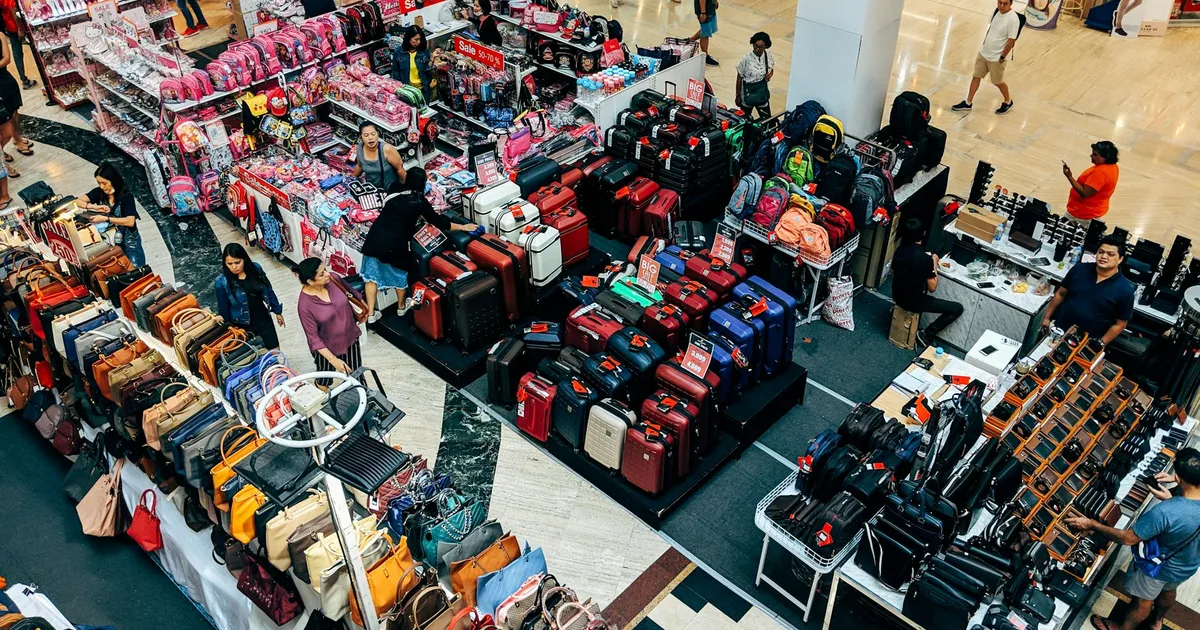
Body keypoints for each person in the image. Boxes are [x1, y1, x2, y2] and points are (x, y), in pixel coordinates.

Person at [1065, 448, 1200, 630]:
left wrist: (1091, 524)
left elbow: (1128, 539)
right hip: (1188, 564)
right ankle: (1157, 622)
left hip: (1158, 566)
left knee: (1143, 603)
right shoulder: (1174, 508)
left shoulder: (1165, 512)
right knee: (1168, 591)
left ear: (1178, 478)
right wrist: (1174, 494)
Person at [360, 168, 477, 323]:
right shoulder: (419, 201)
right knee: (399, 275)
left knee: (371, 276)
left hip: (376, 236)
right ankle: (401, 307)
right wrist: (463, 227)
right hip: (396, 242)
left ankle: (370, 315)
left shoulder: (395, 188)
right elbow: (438, 221)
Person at [1040, 234, 1135, 344]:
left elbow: (1120, 324)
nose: (1104, 256)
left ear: (1120, 259)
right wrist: (1047, 317)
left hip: (1086, 342)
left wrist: (1100, 343)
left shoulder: (1125, 290)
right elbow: (1060, 294)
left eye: (1110, 254)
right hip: (1058, 331)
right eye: (1101, 252)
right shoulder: (1079, 269)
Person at [892, 218, 964, 347]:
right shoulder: (925, 259)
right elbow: (932, 287)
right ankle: (926, 335)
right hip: (913, 301)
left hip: (896, 294)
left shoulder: (900, 251)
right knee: (957, 308)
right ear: (923, 233)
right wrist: (934, 261)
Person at [297, 257, 363, 380]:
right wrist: (333, 360)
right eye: (322, 274)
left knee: (357, 374)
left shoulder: (333, 279)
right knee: (325, 379)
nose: (328, 274)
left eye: (325, 270)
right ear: (310, 281)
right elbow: (313, 338)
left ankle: (362, 395)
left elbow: (352, 293)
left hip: (350, 338)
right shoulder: (305, 306)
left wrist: (363, 310)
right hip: (327, 349)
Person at [952, 0, 1018, 115]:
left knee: (998, 81)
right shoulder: (996, 12)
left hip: (997, 58)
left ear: (1011, 4)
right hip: (984, 53)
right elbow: (991, 29)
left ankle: (1008, 101)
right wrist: (984, 44)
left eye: (1005, 4)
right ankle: (968, 102)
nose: (1001, 6)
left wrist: (1002, 57)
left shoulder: (1013, 19)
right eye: (1000, 3)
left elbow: (1011, 41)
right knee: (976, 76)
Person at [215, 243, 285, 350]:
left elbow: (268, 290)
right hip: (241, 325)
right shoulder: (221, 282)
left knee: (275, 352)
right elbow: (224, 309)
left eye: (237, 262)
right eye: (229, 263)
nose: (234, 267)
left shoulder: (256, 269)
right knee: (255, 357)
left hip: (263, 319)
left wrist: (277, 311)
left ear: (244, 259)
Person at [80, 163, 145, 267]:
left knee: (136, 270)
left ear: (113, 180)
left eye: (104, 183)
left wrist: (106, 218)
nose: (101, 186)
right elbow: (78, 201)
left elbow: (130, 221)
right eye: (99, 183)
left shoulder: (126, 197)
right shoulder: (99, 193)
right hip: (112, 241)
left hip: (129, 241)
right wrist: (93, 207)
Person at [1064, 140, 1119, 223]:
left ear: (1105, 157)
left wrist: (1069, 177)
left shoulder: (1101, 173)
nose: (1091, 156)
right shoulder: (1113, 167)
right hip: (1091, 211)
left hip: (1082, 214)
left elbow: (1085, 193)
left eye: (1095, 154)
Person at [0, 31, 27, 176]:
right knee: (4, 130)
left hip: (5, 80)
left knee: (14, 112)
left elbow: (6, 59)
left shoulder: (0, 35)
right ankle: (2, 160)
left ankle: (17, 139)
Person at [352, 122, 405, 192]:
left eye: (373, 134)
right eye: (366, 135)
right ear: (361, 137)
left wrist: (409, 189)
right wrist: (351, 179)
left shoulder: (387, 149)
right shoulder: (360, 148)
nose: (370, 138)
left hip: (390, 190)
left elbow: (400, 169)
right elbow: (359, 165)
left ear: (378, 134)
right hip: (371, 190)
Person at [391, 26, 436, 105]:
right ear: (409, 38)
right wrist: (398, 89)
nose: (418, 42)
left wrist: (432, 58)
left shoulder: (424, 51)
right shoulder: (398, 52)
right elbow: (395, 72)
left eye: (420, 39)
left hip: (423, 90)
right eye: (416, 39)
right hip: (407, 91)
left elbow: (427, 70)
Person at [735, 32, 774, 120]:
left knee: (767, 119)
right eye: (755, 45)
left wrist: (769, 76)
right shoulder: (746, 59)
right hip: (748, 92)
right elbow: (739, 78)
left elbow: (771, 68)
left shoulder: (769, 55)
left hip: (761, 92)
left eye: (761, 47)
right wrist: (737, 95)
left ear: (766, 47)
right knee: (745, 120)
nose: (757, 49)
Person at [0, 0, 34, 90]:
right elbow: (14, 9)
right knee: (36, 50)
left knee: (17, 54)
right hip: (21, 27)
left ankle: (24, 80)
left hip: (9, 28)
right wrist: (20, 29)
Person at [691, 0, 719, 66]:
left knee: (707, 30)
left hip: (710, 7)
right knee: (705, 33)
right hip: (705, 10)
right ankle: (705, 56)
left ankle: (690, 40)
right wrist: (703, 12)